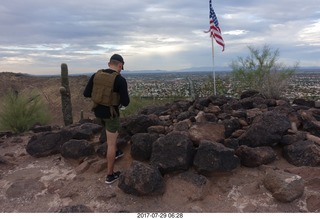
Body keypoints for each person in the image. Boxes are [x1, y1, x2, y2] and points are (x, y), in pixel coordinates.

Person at [83, 54, 130, 184]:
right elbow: (126, 102)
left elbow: (86, 93)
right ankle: (110, 175)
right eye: (121, 67)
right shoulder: (120, 80)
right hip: (111, 114)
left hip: (98, 112)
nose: (121, 70)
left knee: (110, 134)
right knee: (111, 143)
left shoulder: (96, 75)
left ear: (109, 64)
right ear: (120, 65)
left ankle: (116, 151)